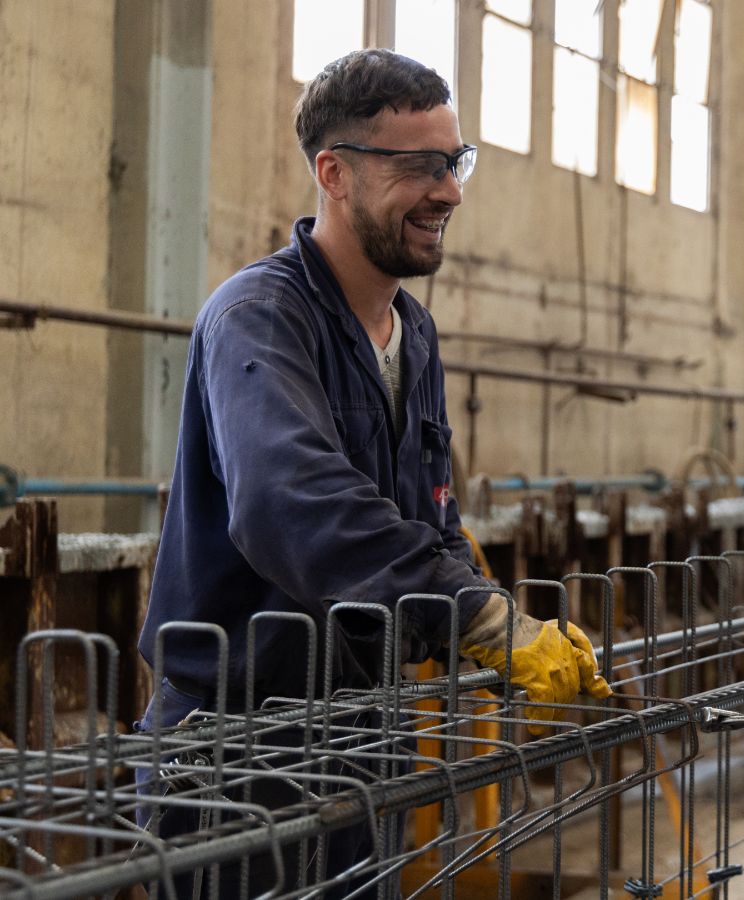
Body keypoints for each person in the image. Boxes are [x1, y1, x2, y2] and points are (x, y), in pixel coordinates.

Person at [135, 49, 608, 896]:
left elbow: (431, 516)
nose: (451, 191)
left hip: (362, 732)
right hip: (240, 751)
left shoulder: (413, 334)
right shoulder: (259, 320)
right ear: (335, 173)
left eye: (454, 162)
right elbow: (291, 503)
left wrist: (510, 624)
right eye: (421, 166)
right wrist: (478, 617)